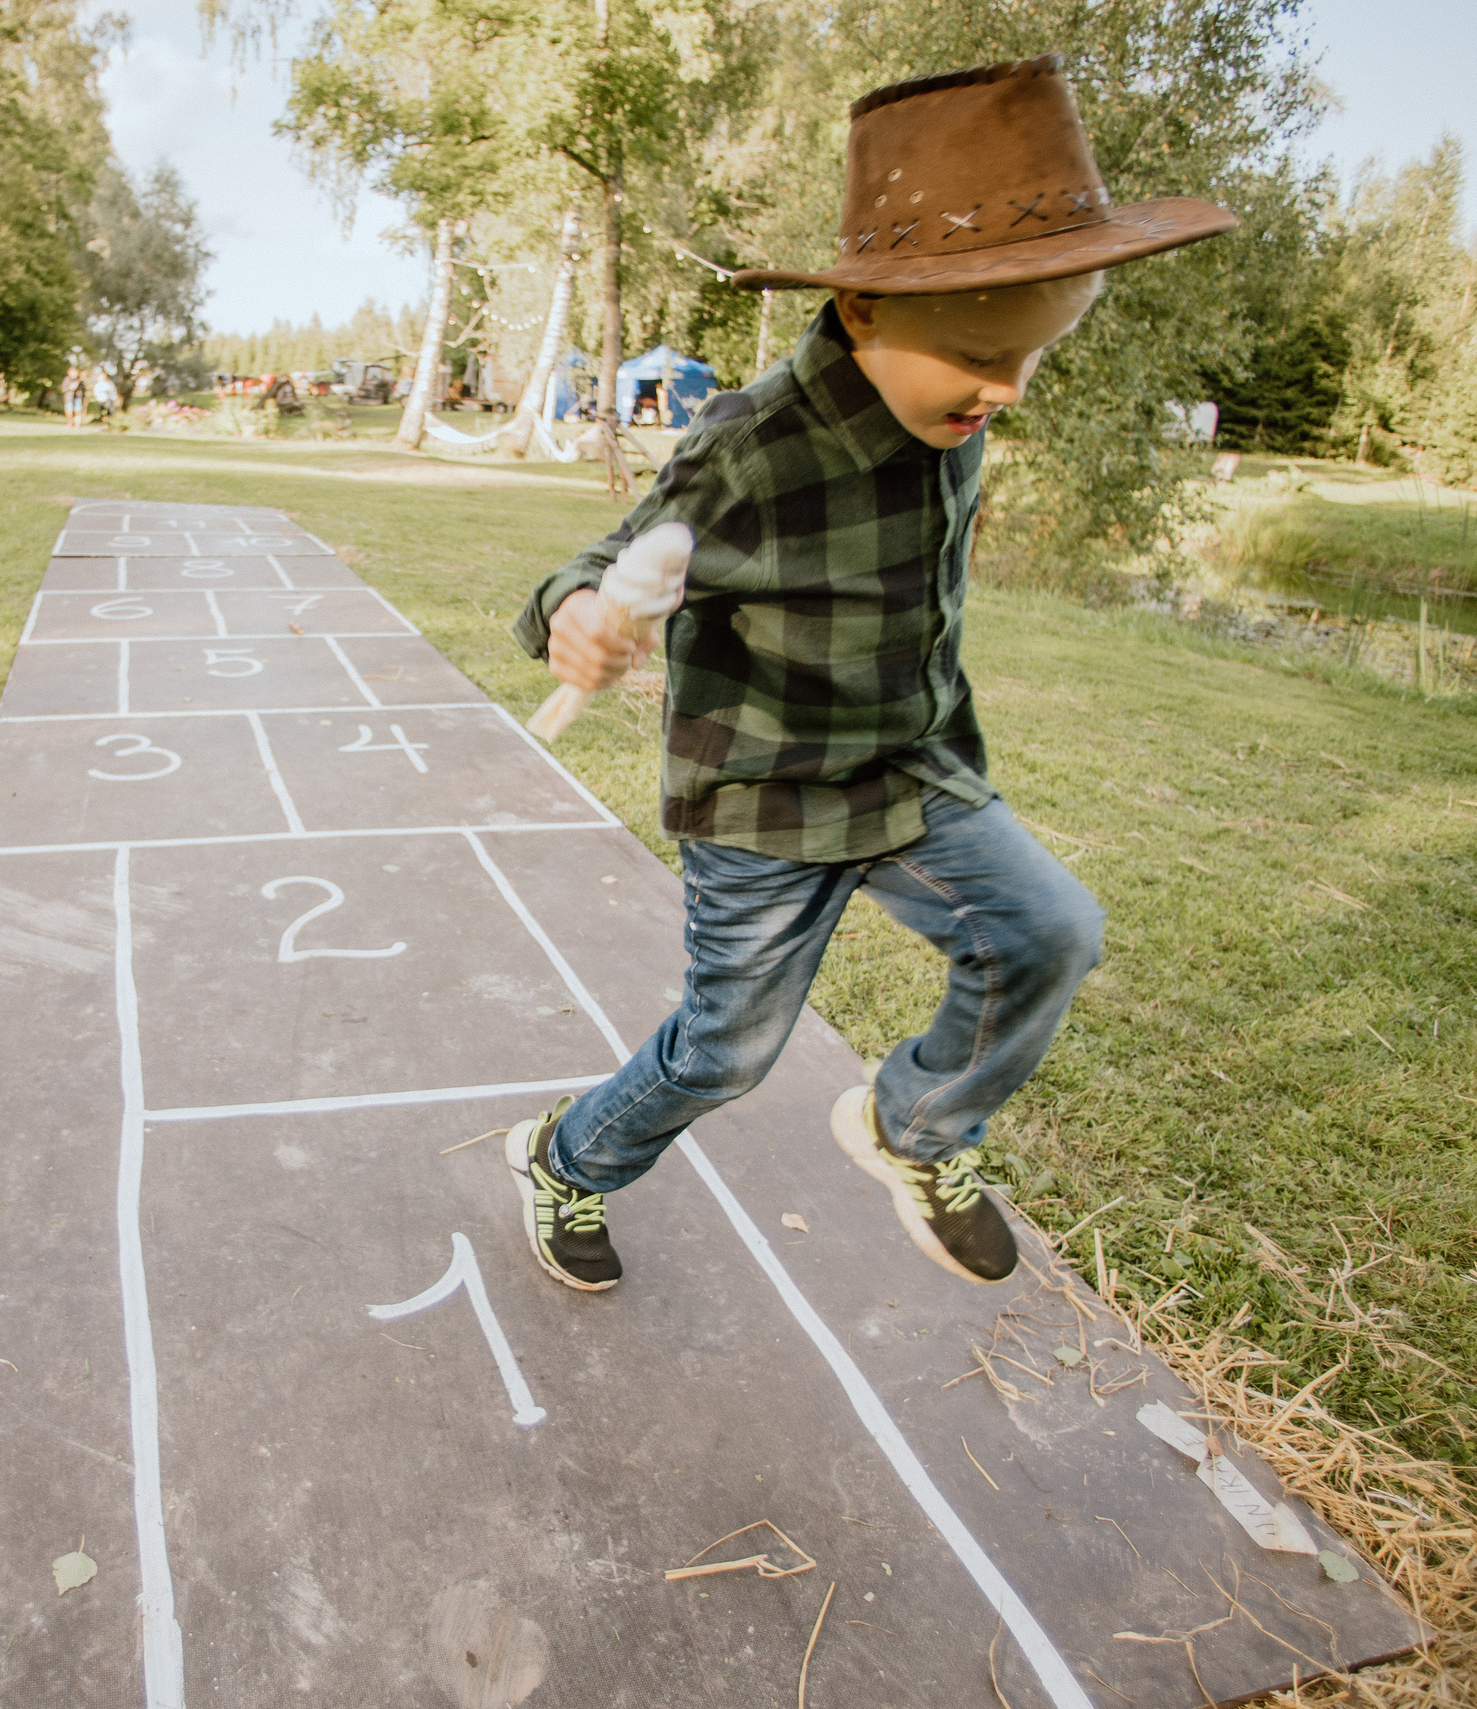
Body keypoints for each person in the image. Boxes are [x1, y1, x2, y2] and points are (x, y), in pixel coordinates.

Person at [497, 56, 1236, 1294]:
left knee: (1050, 929)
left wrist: (972, 382)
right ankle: (569, 1157)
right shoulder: (751, 450)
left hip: (907, 762)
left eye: (1031, 357)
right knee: (727, 1052)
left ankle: (917, 1122)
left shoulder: (954, 402)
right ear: (863, 315)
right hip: (768, 800)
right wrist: (580, 615)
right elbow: (585, 569)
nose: (1001, 390)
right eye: (977, 357)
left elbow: (949, 451)